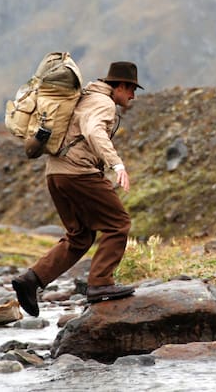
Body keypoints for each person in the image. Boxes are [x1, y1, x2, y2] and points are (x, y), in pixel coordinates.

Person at [12, 61, 142, 316]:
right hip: (79, 173)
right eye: (132, 89)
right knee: (118, 224)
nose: (133, 96)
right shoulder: (103, 103)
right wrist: (117, 165)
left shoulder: (84, 98)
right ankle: (100, 284)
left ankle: (31, 280)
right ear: (121, 86)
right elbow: (93, 130)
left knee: (80, 236)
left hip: (56, 174)